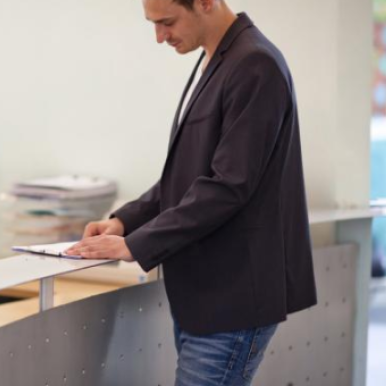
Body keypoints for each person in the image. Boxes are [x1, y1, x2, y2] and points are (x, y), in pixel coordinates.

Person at [66, 0, 317, 385]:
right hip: (207, 297)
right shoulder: (218, 60)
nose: (159, 37)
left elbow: (228, 185)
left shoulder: (254, 64)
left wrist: (138, 244)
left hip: (234, 298)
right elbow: (188, 175)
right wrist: (124, 221)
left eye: (166, 22)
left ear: (205, 3)